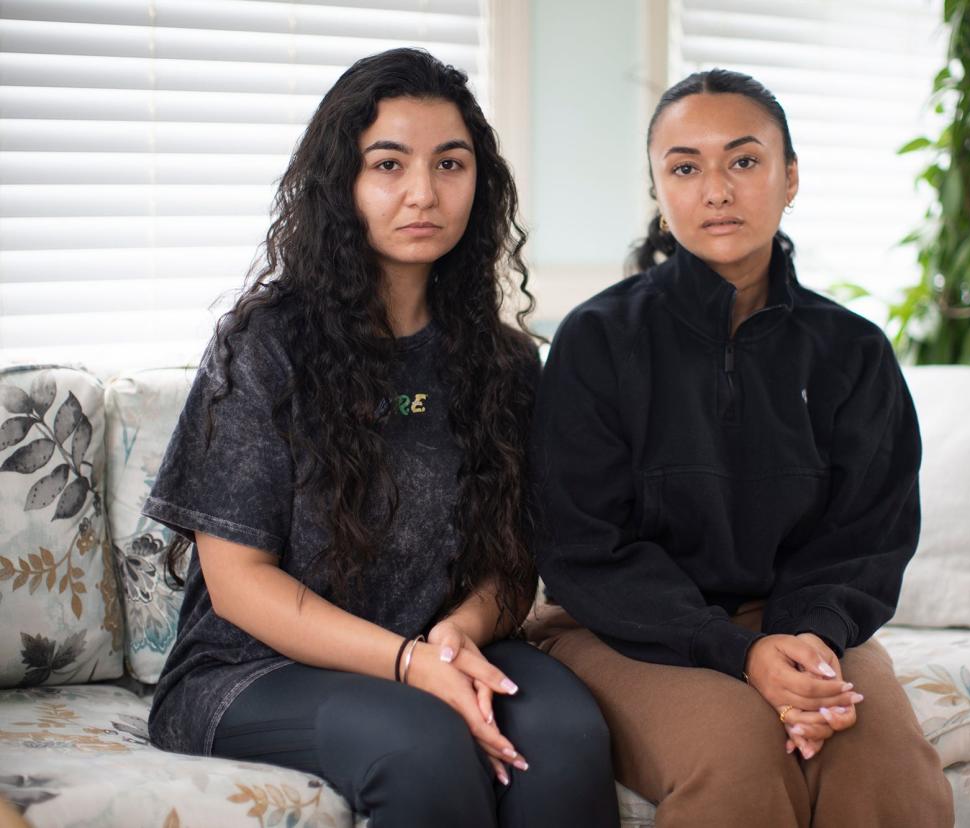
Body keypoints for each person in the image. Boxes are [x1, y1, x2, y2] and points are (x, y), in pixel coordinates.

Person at [143, 48, 619, 828]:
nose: (423, 193)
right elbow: (237, 583)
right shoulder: (265, 345)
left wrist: (454, 639)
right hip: (255, 670)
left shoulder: (504, 360)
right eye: (388, 164)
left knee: (566, 737)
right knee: (421, 743)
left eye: (450, 164)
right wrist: (408, 666)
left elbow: (513, 559)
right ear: (344, 183)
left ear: (481, 183)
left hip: (441, 650)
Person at [527, 68, 954, 827]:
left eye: (745, 160)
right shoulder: (597, 341)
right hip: (621, 630)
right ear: (658, 191)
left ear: (790, 179)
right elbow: (583, 546)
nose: (716, 189)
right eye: (685, 167)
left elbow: (867, 537)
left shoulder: (852, 352)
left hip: (796, 622)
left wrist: (811, 644)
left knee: (885, 768)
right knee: (738, 755)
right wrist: (732, 651)